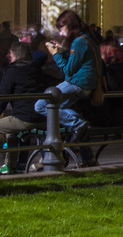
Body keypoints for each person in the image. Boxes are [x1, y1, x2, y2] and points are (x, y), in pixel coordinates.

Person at [0, 40, 47, 172]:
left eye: (10, 54)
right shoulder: (37, 70)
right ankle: (10, 166)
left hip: (24, 119)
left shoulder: (12, 71)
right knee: (11, 132)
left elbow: (3, 98)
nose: (9, 57)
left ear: (15, 55)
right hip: (42, 118)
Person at [34, 9, 96, 146]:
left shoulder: (79, 42)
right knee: (58, 107)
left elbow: (68, 71)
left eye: (61, 27)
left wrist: (55, 54)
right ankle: (80, 130)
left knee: (41, 105)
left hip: (78, 83)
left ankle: (78, 125)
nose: (61, 32)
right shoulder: (86, 38)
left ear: (70, 24)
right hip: (86, 83)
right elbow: (77, 62)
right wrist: (63, 51)